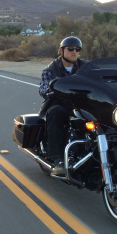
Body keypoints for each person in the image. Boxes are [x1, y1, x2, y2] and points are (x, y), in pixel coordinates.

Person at [38, 36, 89, 176]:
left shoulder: (86, 67)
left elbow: (99, 80)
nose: (74, 52)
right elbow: (43, 89)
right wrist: (52, 88)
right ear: (61, 50)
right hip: (59, 103)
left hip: (82, 104)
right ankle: (58, 160)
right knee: (56, 113)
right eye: (70, 48)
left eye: (77, 49)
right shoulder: (50, 69)